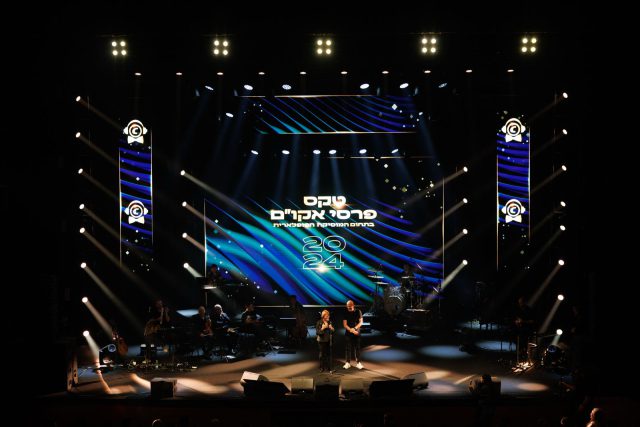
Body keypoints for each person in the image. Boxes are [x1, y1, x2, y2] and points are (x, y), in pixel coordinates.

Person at [343, 300, 364, 369]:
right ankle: (347, 363)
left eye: (350, 306)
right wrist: (351, 330)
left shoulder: (358, 311)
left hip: (356, 331)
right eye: (347, 306)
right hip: (348, 332)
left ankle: (358, 363)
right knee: (347, 348)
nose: (349, 307)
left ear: (353, 305)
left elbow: (361, 322)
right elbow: (345, 324)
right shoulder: (345, 312)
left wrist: (354, 328)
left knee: (357, 347)